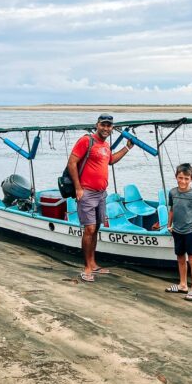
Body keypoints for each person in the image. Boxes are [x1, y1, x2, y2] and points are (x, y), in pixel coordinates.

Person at [67, 114, 133, 282]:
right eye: (103, 125)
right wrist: (78, 188)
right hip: (86, 192)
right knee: (89, 229)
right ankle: (87, 268)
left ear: (112, 128)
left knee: (96, 229)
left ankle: (93, 263)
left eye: (109, 126)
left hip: (101, 194)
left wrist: (126, 148)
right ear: (97, 125)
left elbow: (110, 160)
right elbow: (72, 163)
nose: (106, 128)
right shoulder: (86, 141)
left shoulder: (105, 145)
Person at [165, 163, 192, 301]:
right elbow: (171, 210)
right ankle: (183, 285)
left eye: (186, 178)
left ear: (191, 179)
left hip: (190, 232)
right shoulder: (172, 192)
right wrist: (169, 225)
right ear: (176, 177)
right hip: (177, 231)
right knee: (180, 258)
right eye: (180, 178)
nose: (183, 181)